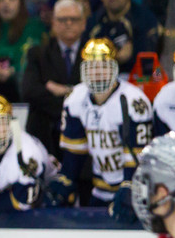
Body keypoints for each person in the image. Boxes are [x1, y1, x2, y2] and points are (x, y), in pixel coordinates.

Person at [54, 38, 153, 218]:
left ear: (114, 68)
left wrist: (130, 185)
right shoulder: (75, 99)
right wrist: (66, 180)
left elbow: (139, 157)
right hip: (99, 191)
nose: (98, 73)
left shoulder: (134, 101)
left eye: (103, 66)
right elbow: (74, 153)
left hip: (135, 192)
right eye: (92, 67)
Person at [22, 0, 85, 158]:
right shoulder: (37, 54)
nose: (68, 24)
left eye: (74, 19)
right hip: (45, 136)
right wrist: (77, 96)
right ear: (53, 23)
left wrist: (64, 91)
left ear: (83, 23)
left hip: (85, 137)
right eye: (63, 20)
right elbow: (29, 91)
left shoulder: (94, 56)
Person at [0, 0, 47, 102]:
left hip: (21, 88)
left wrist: (14, 71)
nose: (6, 3)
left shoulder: (34, 28)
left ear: (21, 3)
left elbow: (35, 61)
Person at [86, 0, 160, 74]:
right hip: (101, 78)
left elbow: (148, 61)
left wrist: (132, 54)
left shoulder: (145, 20)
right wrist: (116, 58)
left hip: (136, 79)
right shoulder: (93, 23)